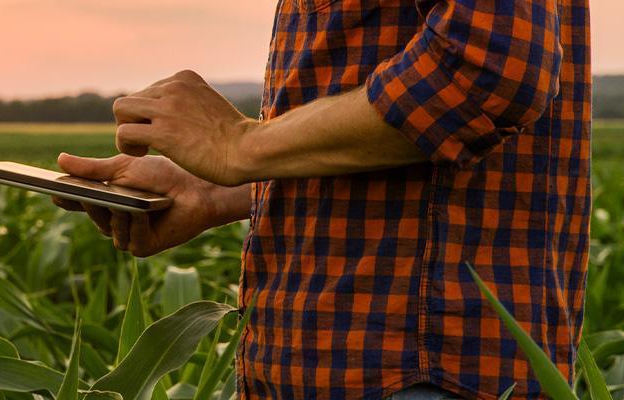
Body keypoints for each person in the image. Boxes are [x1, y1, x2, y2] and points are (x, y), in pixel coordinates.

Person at [53, 0, 590, 398]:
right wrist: (217, 190)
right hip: (335, 366)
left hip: (411, 371)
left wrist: (236, 143)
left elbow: (483, 68)